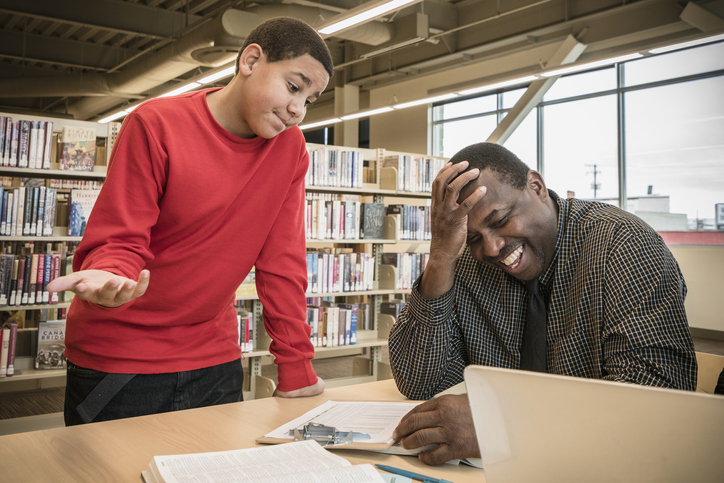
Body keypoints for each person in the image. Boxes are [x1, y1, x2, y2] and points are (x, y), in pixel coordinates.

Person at [47, 17, 334, 426]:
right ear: (251, 60)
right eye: (293, 86)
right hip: (122, 360)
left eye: (310, 99)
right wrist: (109, 274)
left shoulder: (291, 149)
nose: (297, 110)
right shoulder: (155, 123)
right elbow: (121, 236)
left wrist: (296, 365)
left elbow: (282, 263)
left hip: (214, 360)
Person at [389, 142, 697, 465]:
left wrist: (500, 422)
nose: (492, 248)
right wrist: (441, 255)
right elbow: (419, 380)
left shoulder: (623, 247)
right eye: (474, 238)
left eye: (501, 219)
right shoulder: (468, 263)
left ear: (536, 186)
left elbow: (658, 395)